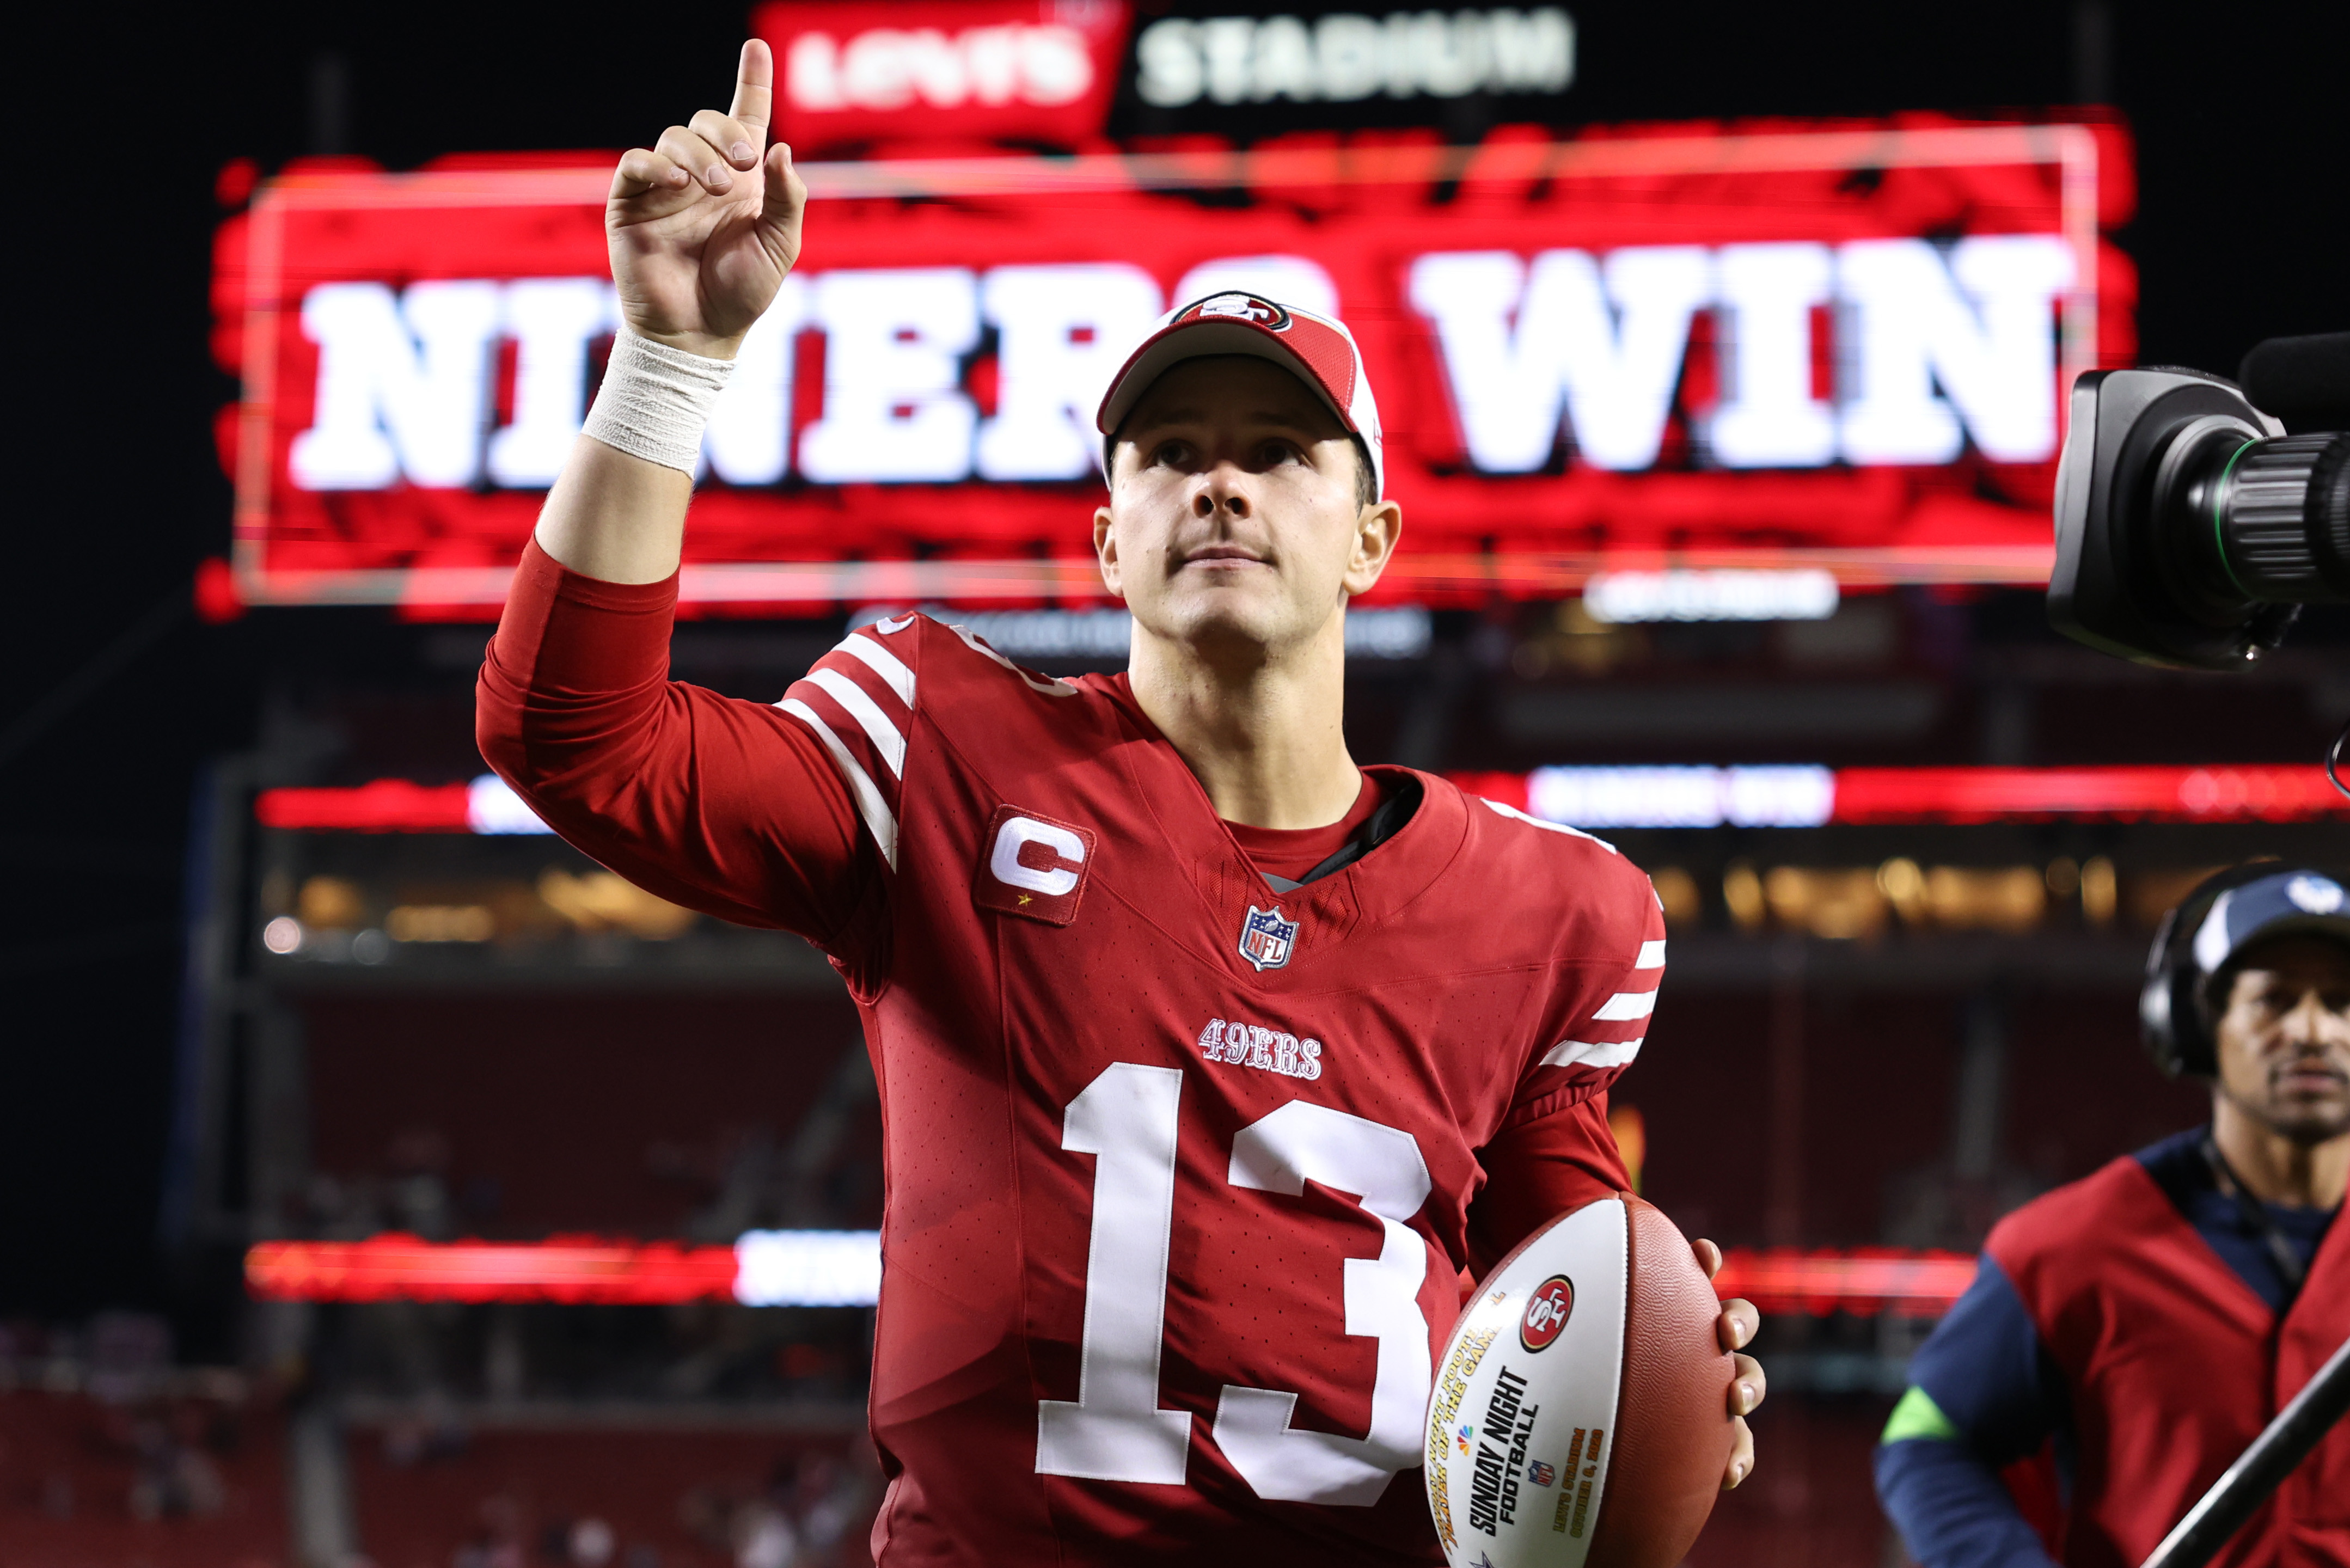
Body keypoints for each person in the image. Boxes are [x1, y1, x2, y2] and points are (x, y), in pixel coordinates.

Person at [475, 41, 1764, 1566]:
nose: (1217, 486)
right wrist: (670, 358)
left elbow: (1565, 1294)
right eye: (1168, 454)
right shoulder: (939, 745)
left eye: (1276, 452)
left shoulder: (1560, 912)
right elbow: (574, 737)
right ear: (1106, 540)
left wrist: (1673, 1370)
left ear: (1369, 538)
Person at [1876, 865, 2350, 1567]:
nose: (2313, 1031)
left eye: (2341, 1003)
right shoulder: (2070, 1247)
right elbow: (1924, 1439)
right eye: (2274, 1001)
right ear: (2198, 1025)